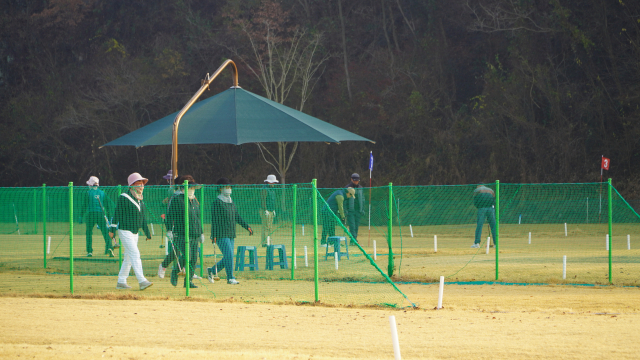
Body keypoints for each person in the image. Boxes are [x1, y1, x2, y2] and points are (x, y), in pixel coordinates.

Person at [109, 172, 153, 291]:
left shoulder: (140, 200)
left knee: (128, 258)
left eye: (142, 184)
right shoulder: (124, 197)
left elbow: (143, 219)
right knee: (135, 254)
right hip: (125, 231)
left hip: (135, 232)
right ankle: (142, 281)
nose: (141, 187)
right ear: (132, 185)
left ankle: (121, 281)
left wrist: (147, 233)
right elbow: (117, 214)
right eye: (139, 184)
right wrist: (112, 229)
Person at [207, 177, 253, 285]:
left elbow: (237, 216)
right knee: (229, 256)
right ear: (220, 189)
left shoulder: (231, 201)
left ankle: (212, 271)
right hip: (220, 234)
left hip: (231, 233)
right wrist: (213, 234)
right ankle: (230, 278)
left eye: (229, 187)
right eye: (226, 187)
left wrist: (247, 226)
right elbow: (214, 219)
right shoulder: (217, 202)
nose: (228, 189)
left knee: (229, 256)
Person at [163, 175, 204, 288]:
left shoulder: (195, 201)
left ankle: (188, 281)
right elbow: (170, 215)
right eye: (190, 188)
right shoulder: (177, 199)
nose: (192, 190)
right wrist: (169, 230)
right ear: (183, 188)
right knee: (187, 256)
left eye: (193, 188)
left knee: (194, 259)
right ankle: (175, 272)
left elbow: (198, 218)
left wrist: (201, 232)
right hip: (181, 234)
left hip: (195, 234)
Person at [81, 176, 115, 257]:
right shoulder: (103, 193)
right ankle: (109, 248)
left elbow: (84, 206)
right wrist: (109, 216)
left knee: (89, 233)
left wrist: (81, 216)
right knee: (105, 232)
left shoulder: (88, 193)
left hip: (90, 215)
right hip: (101, 215)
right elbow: (107, 206)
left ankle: (89, 251)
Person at [345, 173, 365, 245]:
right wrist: (346, 210)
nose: (356, 182)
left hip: (358, 210)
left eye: (357, 181)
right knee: (352, 226)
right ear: (351, 179)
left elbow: (362, 199)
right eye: (355, 180)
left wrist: (362, 209)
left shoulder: (360, 188)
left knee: (356, 226)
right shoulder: (347, 188)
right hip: (350, 211)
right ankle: (354, 240)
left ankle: (353, 240)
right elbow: (345, 200)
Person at [260, 174, 279, 247]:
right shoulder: (264, 189)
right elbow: (263, 200)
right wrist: (265, 210)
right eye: (273, 182)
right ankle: (264, 243)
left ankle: (269, 241)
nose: (274, 184)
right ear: (269, 182)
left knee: (270, 227)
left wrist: (273, 210)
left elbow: (273, 200)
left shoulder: (272, 190)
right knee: (266, 227)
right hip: (265, 211)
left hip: (271, 210)